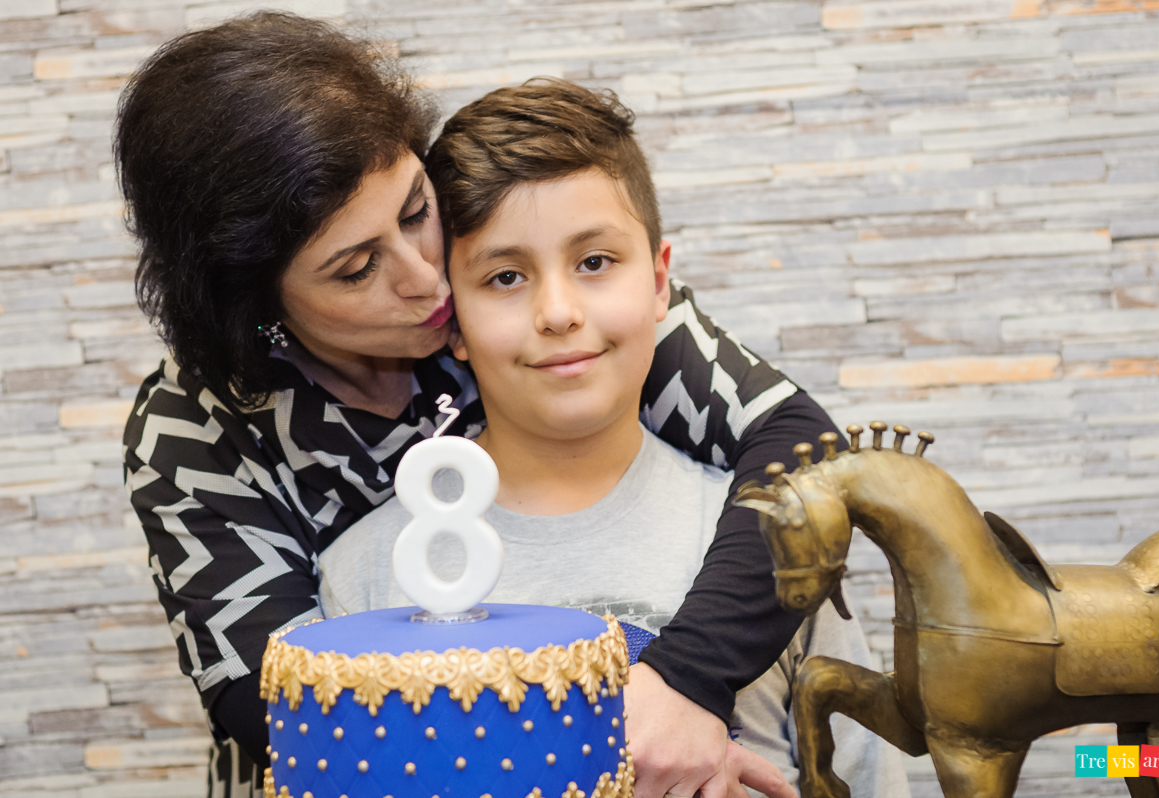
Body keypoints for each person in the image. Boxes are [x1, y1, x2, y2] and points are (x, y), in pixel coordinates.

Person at [116, 12, 844, 798]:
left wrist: (682, 684)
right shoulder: (191, 432)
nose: (428, 280)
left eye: (413, 212)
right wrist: (620, 750)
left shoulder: (535, 305)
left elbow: (804, 449)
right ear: (259, 302)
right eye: (357, 268)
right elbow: (294, 716)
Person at [317, 78, 908, 798]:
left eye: (595, 262)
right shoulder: (366, 577)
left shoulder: (773, 542)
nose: (559, 312)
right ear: (454, 322)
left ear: (660, 282)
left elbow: (867, 777)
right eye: (505, 277)